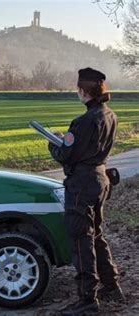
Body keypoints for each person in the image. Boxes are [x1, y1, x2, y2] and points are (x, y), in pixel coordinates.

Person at [48, 67, 124, 315]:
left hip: (81, 183)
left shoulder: (83, 122)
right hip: (101, 178)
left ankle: (87, 299)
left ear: (83, 91)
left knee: (81, 238)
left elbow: (66, 154)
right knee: (97, 235)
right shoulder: (110, 115)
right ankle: (111, 286)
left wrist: (54, 142)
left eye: (78, 89)